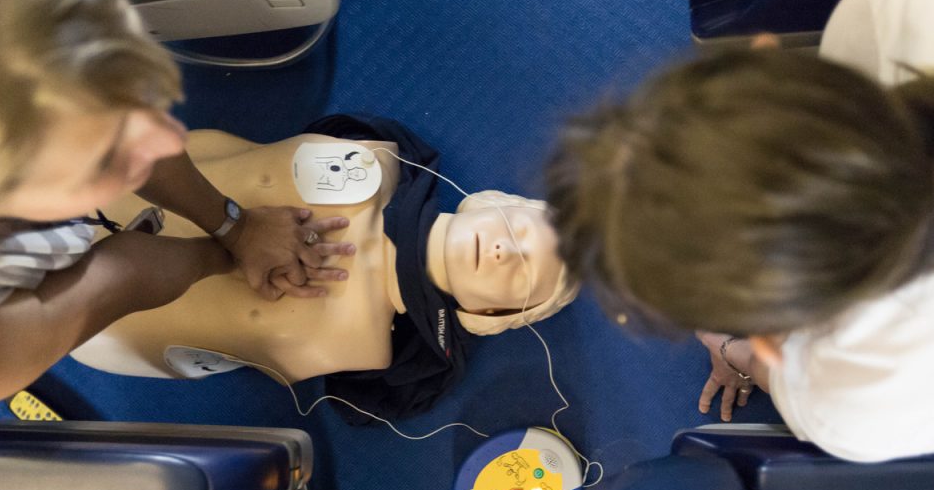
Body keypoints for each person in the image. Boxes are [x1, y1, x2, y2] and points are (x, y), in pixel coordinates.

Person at [0, 0, 353, 416]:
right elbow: (123, 274)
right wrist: (224, 254)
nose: (167, 137)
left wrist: (237, 227)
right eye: (102, 158)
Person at [546, 49, 934, 462]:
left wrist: (732, 350)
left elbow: (788, 382)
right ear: (768, 53)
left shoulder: (854, 405)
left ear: (771, 340)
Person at [72, 115, 580, 420]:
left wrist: (230, 239)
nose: (505, 252)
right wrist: (232, 235)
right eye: (519, 234)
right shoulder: (375, 162)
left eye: (521, 274)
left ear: (487, 314)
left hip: (99, 328)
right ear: (488, 204)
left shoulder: (361, 344)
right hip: (87, 186)